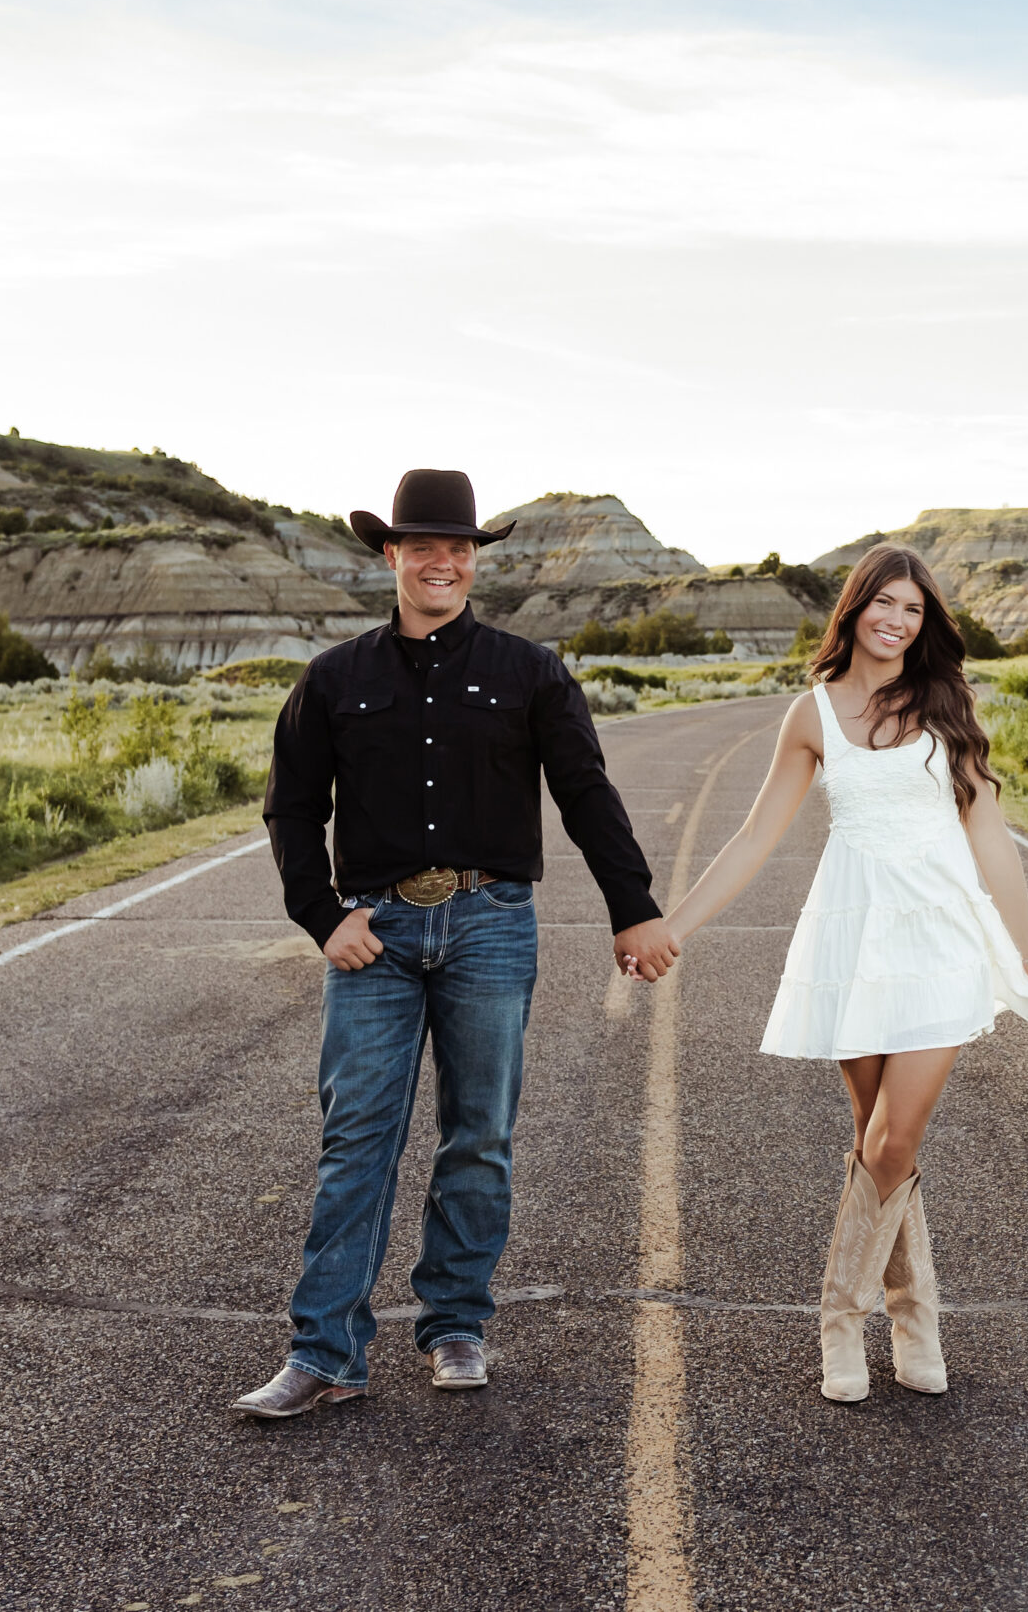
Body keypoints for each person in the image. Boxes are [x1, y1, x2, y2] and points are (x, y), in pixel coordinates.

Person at [233, 469, 679, 1419]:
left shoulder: (530, 672)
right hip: (375, 932)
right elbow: (292, 807)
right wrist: (324, 917)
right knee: (356, 1139)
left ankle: (456, 1323)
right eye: (424, 546)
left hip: (490, 924)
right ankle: (325, 1352)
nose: (444, 562)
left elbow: (588, 794)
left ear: (477, 560)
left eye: (461, 547)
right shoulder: (336, 679)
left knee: (479, 1134)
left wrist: (632, 908)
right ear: (390, 556)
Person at [641, 544, 1028, 1401]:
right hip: (853, 939)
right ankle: (916, 1317)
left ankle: (842, 1320)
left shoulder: (948, 704)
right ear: (855, 609)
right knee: (874, 1137)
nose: (897, 620)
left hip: (939, 937)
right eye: (884, 604)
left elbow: (989, 833)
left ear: (924, 621)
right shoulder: (812, 714)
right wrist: (672, 924)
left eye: (912, 609)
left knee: (894, 1138)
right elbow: (755, 836)